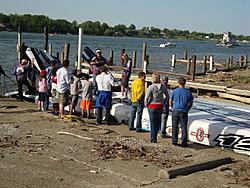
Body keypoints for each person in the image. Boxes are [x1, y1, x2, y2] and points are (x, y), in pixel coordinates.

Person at [169, 77, 194, 147]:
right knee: (184, 127)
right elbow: (191, 102)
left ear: (178, 83)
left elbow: (170, 101)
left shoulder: (174, 91)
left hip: (176, 110)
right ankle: (184, 141)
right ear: (185, 83)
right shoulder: (188, 92)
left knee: (174, 126)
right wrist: (188, 109)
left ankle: (174, 141)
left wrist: (172, 107)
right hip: (184, 111)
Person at [145, 73, 169, 143]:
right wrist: (164, 102)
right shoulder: (163, 86)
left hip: (152, 106)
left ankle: (153, 139)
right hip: (160, 106)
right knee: (158, 123)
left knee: (152, 123)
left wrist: (146, 105)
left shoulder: (151, 87)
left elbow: (146, 98)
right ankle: (154, 137)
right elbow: (167, 96)